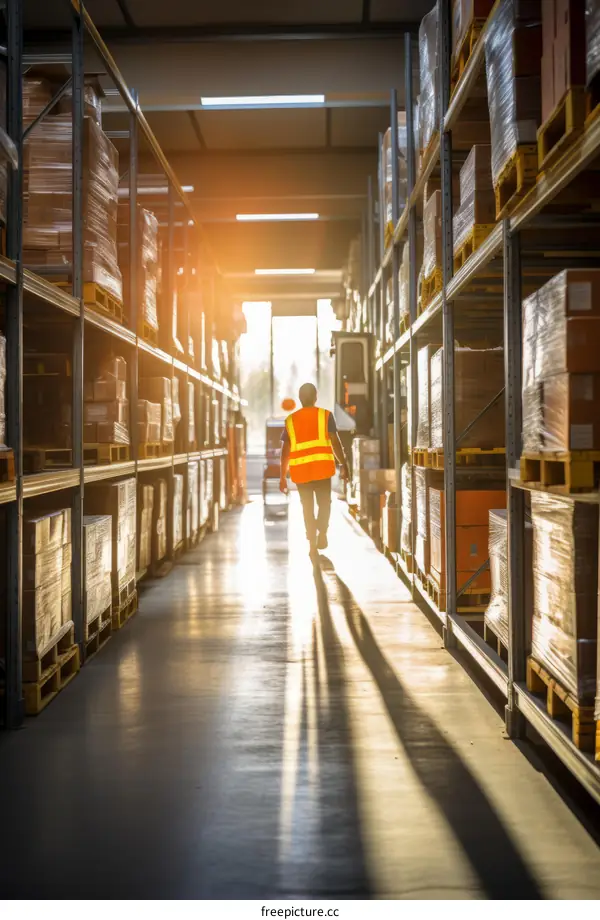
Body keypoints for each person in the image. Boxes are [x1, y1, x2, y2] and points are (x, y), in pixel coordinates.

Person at [279, 382, 350, 556]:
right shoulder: (325, 416)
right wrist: (343, 464)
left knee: (307, 506)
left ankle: (311, 539)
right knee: (324, 504)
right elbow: (335, 442)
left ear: (300, 398)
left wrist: (282, 476)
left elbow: (285, 451)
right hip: (322, 470)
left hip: (301, 472)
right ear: (316, 397)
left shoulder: (290, 420)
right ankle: (322, 533)